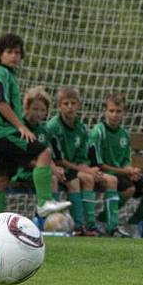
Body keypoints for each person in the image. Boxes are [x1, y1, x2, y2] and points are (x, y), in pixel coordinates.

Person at [0, 33, 70, 218]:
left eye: (18, 53)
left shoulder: (4, 76)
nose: (14, 56)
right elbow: (0, 102)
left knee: (0, 179)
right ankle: (44, 202)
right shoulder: (1, 73)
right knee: (44, 152)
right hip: (5, 132)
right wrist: (20, 126)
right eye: (9, 52)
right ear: (0, 54)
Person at [47, 86, 118, 236]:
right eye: (66, 104)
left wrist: (92, 171)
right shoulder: (54, 127)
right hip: (56, 168)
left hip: (75, 168)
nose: (70, 107)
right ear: (59, 106)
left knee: (102, 178)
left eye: (73, 103)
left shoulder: (80, 127)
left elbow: (82, 158)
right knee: (85, 178)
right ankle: (79, 226)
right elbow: (59, 160)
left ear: (79, 105)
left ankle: (95, 226)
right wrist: (87, 171)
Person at [90, 92, 143, 236]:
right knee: (129, 189)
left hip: (121, 173)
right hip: (104, 174)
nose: (114, 115)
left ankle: (132, 225)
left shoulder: (124, 135)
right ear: (105, 111)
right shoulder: (98, 132)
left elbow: (125, 162)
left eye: (118, 111)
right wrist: (126, 172)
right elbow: (99, 165)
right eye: (111, 111)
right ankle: (103, 220)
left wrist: (133, 171)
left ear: (124, 113)